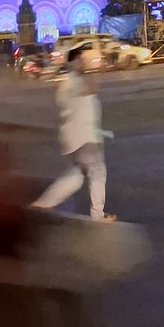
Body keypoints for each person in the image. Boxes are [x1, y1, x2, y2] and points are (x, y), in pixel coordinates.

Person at [31, 43, 116, 221]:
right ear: (74, 62)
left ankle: (43, 204)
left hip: (77, 138)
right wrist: (94, 68)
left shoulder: (71, 82)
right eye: (80, 59)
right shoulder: (72, 83)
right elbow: (92, 88)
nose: (83, 62)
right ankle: (98, 215)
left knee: (76, 175)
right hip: (83, 138)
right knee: (97, 171)